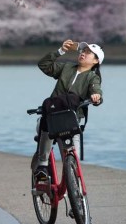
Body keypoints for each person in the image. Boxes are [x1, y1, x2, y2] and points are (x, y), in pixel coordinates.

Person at [34, 39, 104, 181]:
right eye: (83, 51)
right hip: (53, 115)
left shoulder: (92, 77)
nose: (83, 53)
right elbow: (43, 65)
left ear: (96, 61)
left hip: (72, 119)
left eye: (89, 53)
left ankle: (74, 192)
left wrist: (97, 97)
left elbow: (96, 90)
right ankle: (42, 165)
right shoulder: (66, 67)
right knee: (46, 127)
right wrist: (61, 51)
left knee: (73, 160)